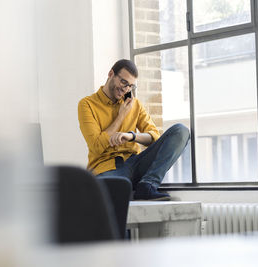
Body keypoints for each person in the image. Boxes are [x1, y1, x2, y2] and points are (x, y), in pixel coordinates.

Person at [78, 59, 190, 200]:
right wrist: (121, 116)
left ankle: (148, 185)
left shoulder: (134, 104)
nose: (126, 89)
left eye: (130, 86)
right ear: (111, 74)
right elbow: (96, 146)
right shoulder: (87, 105)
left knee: (180, 131)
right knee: (99, 191)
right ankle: (127, 187)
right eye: (123, 82)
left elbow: (154, 136)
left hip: (135, 163)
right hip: (107, 170)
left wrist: (131, 136)